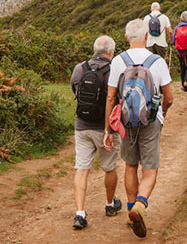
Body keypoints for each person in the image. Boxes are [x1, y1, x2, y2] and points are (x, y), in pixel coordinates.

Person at [103, 19, 174, 239]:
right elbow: (169, 97)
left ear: (126, 38)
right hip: (151, 120)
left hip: (126, 120)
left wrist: (108, 129)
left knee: (131, 166)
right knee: (150, 169)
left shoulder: (117, 61)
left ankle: (131, 207)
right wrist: (161, 112)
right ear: (146, 37)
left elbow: (111, 97)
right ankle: (140, 206)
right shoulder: (158, 61)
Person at [70, 35, 124, 229]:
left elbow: (74, 89)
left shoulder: (80, 68)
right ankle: (110, 204)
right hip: (105, 128)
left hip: (82, 125)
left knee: (81, 168)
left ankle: (80, 213)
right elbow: (118, 96)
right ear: (110, 52)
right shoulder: (114, 70)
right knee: (109, 167)